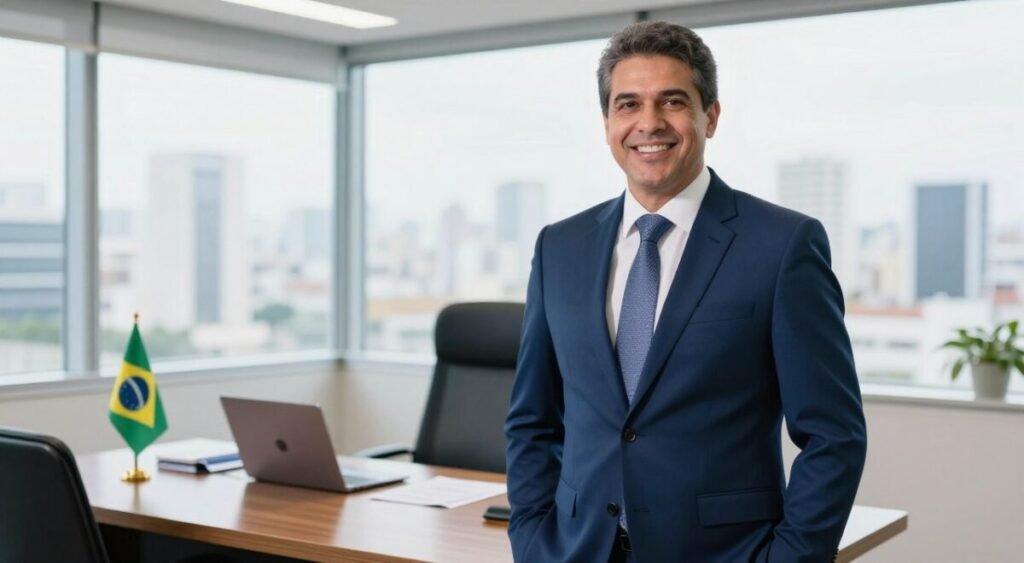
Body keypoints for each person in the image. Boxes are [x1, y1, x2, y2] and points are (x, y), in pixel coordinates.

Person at [504, 21, 867, 563]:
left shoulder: (783, 245)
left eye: (672, 101)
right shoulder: (560, 247)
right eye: (628, 105)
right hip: (575, 551)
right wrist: (532, 537)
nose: (648, 123)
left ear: (710, 116)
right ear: (607, 122)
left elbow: (833, 435)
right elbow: (533, 418)